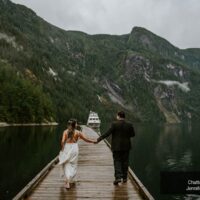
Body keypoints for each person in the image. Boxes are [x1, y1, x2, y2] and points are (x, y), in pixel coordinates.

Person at [95, 111, 135, 185]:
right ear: (124, 117)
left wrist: (99, 139)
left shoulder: (114, 124)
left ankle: (118, 177)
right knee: (125, 162)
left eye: (117, 116)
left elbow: (108, 133)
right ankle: (125, 178)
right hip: (126, 147)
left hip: (116, 147)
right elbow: (133, 134)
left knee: (117, 161)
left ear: (119, 116)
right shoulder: (129, 124)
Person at [58, 119, 95, 189]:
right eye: (76, 123)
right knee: (73, 164)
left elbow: (62, 141)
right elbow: (86, 139)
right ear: (75, 125)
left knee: (66, 164)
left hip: (67, 148)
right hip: (74, 149)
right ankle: (70, 179)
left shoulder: (65, 132)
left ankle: (67, 182)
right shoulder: (78, 132)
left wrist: (62, 149)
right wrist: (93, 141)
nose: (77, 124)